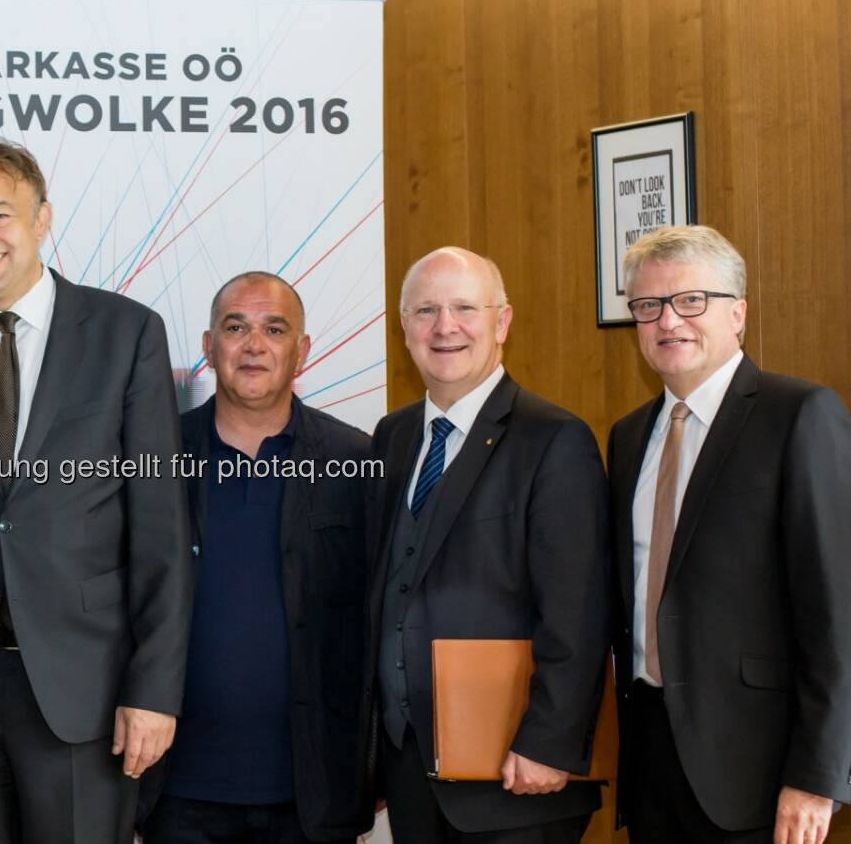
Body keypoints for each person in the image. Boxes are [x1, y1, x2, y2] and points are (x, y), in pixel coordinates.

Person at [0, 135, 193, 844]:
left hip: (86, 690)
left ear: (42, 218)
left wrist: (153, 691)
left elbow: (161, 528)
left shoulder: (126, 333)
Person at [608, 225, 851, 844]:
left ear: (738, 313)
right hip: (650, 757)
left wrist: (818, 775)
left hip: (758, 772)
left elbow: (837, 614)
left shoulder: (799, 415)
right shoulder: (629, 436)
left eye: (691, 300)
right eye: (648, 305)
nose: (668, 321)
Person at [364, 247, 611, 843]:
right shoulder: (392, 436)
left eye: (464, 308)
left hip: (517, 776)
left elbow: (579, 611)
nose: (444, 327)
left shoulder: (554, 439)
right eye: (426, 310)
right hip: (410, 769)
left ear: (502, 322)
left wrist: (549, 742)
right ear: (404, 327)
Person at [137, 272, 376, 844]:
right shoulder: (155, 457)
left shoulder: (356, 459)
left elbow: (378, 618)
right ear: (208, 345)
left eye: (274, 329)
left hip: (313, 793)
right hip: (176, 790)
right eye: (235, 327)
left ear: (302, 349)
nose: (253, 345)